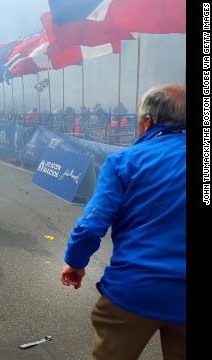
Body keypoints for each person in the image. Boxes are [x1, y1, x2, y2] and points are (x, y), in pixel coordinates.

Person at [60, 84, 186, 360]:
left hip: (133, 290)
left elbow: (92, 224)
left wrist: (76, 262)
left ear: (148, 121)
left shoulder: (123, 162)